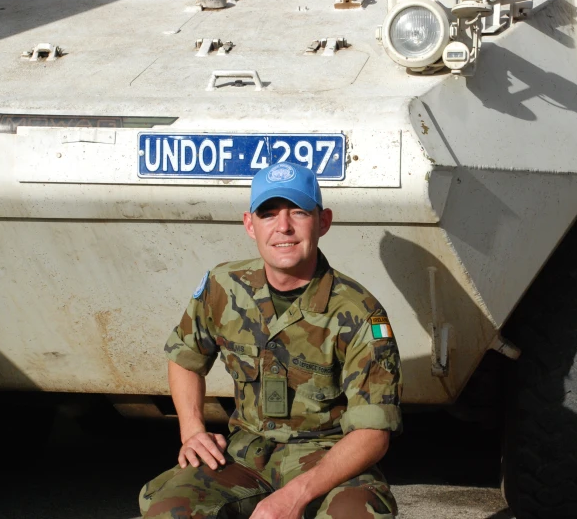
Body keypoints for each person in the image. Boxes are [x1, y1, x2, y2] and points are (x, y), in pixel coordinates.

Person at [139, 161, 403, 519]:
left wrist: (295, 495)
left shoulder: (359, 313)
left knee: (357, 514)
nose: (283, 227)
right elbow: (185, 356)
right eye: (268, 214)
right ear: (250, 224)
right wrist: (192, 431)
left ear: (322, 221)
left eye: (298, 212)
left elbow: (373, 432)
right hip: (246, 454)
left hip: (326, 458)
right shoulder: (224, 286)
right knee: (168, 508)